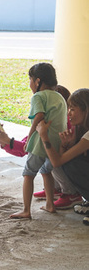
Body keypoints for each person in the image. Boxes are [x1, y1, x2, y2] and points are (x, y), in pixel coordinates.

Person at [0, 85, 83, 209]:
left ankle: (71, 193)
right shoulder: (50, 119)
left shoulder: (67, 122)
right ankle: (55, 189)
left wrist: (9, 142)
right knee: (46, 158)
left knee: (50, 157)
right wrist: (7, 142)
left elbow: (55, 159)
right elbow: (28, 145)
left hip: (75, 171)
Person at [9, 63, 67, 219]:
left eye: (30, 79)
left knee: (28, 173)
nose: (30, 83)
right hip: (55, 145)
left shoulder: (38, 96)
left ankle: (26, 210)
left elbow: (39, 116)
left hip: (41, 143)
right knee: (45, 171)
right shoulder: (59, 96)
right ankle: (50, 204)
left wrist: (29, 136)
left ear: (37, 81)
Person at [37, 87, 89, 224]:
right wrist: (65, 145)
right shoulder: (81, 130)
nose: (69, 113)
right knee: (71, 162)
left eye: (72, 109)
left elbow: (57, 162)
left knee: (72, 164)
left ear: (86, 110)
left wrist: (44, 136)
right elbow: (61, 161)